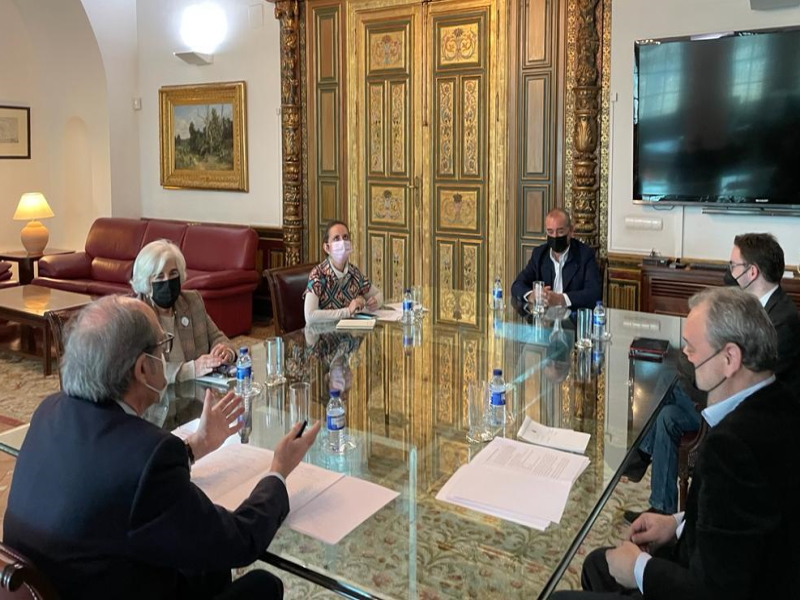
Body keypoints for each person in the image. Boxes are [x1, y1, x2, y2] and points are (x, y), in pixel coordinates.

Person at [4, 296, 322, 600]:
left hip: (78, 582)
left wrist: (195, 445)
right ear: (143, 368)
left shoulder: (48, 411)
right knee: (262, 584)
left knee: (207, 569)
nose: (166, 355)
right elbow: (240, 540)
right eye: (163, 346)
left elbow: (111, 480)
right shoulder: (148, 456)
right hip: (111, 586)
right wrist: (278, 472)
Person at [551, 286, 800, 600]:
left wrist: (639, 567)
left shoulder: (733, 447)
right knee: (596, 564)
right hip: (729, 561)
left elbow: (713, 591)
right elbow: (738, 524)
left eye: (693, 347)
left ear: (729, 358)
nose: (685, 354)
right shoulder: (782, 403)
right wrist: (676, 523)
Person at [623, 232, 800, 521]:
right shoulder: (749, 305)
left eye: (733, 265)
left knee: (669, 373)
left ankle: (637, 456)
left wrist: (689, 362)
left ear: (752, 271)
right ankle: (662, 507)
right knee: (667, 414)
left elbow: (752, 380)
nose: (729, 272)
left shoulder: (783, 319)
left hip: (747, 413)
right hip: (727, 395)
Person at [132, 239, 235, 383]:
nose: (167, 281)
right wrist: (192, 369)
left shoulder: (192, 301)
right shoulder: (136, 315)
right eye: (159, 276)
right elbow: (145, 371)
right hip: (158, 400)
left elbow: (218, 337)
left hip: (199, 392)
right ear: (146, 281)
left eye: (173, 274)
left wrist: (226, 351)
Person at [510, 208, 602, 309]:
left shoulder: (585, 254)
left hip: (573, 321)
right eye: (550, 232)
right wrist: (532, 295)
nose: (555, 236)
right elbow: (517, 285)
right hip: (545, 321)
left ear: (571, 231)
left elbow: (594, 294)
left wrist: (560, 299)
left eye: (560, 232)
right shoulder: (539, 254)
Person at [304, 221, 384, 323]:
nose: (342, 242)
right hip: (322, 336)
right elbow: (310, 315)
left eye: (345, 237)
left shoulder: (354, 273)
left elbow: (379, 294)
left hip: (349, 334)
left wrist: (376, 302)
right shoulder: (318, 275)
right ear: (327, 247)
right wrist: (347, 311)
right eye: (336, 238)